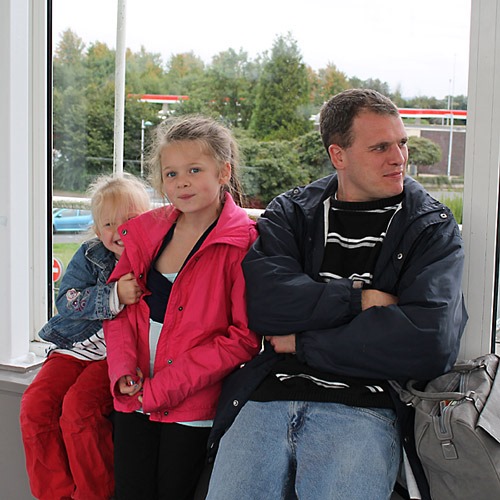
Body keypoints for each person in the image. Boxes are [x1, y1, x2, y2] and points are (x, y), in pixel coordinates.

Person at [206, 89, 468, 500]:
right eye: (380, 147)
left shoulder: (430, 226)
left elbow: (430, 342)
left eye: (401, 143)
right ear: (338, 155)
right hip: (267, 395)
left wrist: (302, 342)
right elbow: (266, 305)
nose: (399, 158)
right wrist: (359, 299)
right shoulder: (291, 212)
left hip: (365, 405)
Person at [103, 115, 261, 500]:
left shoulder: (243, 242)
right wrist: (122, 371)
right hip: (133, 393)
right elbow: (118, 309)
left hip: (191, 407)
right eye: (171, 174)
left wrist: (161, 390)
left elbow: (242, 339)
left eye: (194, 170)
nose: (182, 182)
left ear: (224, 172)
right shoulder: (145, 231)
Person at [20, 174, 151, 500]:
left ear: (147, 220)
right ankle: (55, 494)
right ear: (96, 229)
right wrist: (113, 295)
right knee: (35, 407)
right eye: (108, 224)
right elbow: (66, 301)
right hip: (75, 348)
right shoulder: (91, 254)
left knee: (79, 410)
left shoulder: (156, 257)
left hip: (113, 357)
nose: (119, 231)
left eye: (129, 220)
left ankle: (94, 494)